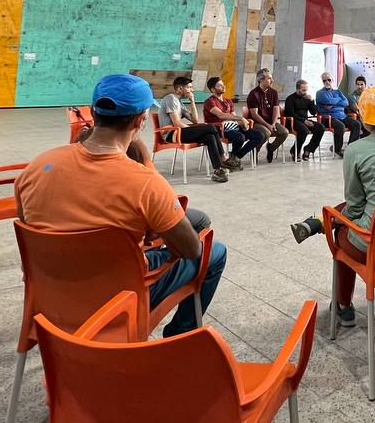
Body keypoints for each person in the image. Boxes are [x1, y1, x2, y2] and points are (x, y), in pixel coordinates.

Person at [15, 74, 226, 338]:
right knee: (215, 250)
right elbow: (190, 249)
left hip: (51, 297)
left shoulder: (37, 167)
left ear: (94, 113)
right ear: (140, 120)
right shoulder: (145, 184)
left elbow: (26, 220)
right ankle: (180, 331)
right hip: (118, 300)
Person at [286, 87, 375, 326]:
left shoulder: (356, 150)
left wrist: (338, 218)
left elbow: (355, 209)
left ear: (365, 116)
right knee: (372, 202)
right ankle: (320, 222)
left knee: (341, 231)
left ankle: (343, 305)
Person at [74, 124, 212, 233]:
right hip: (134, 249)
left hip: (84, 246)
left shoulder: (66, 163)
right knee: (203, 221)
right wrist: (143, 153)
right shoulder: (144, 180)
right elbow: (192, 250)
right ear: (138, 121)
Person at [159, 76, 230, 182]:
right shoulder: (171, 98)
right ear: (180, 89)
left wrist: (192, 101)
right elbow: (176, 123)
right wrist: (194, 129)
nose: (191, 90)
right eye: (189, 87)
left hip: (179, 132)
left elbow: (195, 120)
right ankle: (223, 157)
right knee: (210, 127)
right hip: (171, 134)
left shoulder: (179, 103)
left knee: (210, 137)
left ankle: (218, 170)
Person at [202, 77, 265, 166]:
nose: (223, 87)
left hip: (233, 127)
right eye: (220, 85)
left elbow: (234, 117)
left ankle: (236, 156)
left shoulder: (228, 101)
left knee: (258, 136)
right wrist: (241, 118)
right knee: (240, 137)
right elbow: (221, 115)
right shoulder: (209, 101)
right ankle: (233, 158)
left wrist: (242, 124)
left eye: (223, 84)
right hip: (220, 129)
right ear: (213, 89)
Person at [247, 68, 290, 163]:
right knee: (266, 133)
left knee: (284, 132)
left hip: (271, 122)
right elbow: (254, 114)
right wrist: (268, 125)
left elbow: (276, 109)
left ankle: (271, 148)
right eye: (269, 78)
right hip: (257, 123)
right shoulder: (253, 94)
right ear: (261, 80)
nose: (272, 80)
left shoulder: (273, 92)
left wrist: (273, 124)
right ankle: (255, 150)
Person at [316, 72, 363, 156]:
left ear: (332, 80)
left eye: (329, 80)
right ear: (322, 82)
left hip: (342, 116)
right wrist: (338, 100)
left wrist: (333, 103)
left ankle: (350, 148)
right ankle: (337, 149)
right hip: (328, 118)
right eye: (324, 80)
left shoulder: (338, 92)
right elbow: (328, 101)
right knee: (340, 126)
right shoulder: (320, 93)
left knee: (357, 124)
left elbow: (346, 102)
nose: (327, 82)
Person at [284, 79, 326, 161]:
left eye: (306, 90)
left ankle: (308, 149)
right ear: (297, 89)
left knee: (320, 128)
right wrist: (304, 121)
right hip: (293, 121)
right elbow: (290, 113)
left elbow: (313, 112)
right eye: (303, 90)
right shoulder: (290, 99)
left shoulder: (307, 98)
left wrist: (312, 100)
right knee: (304, 130)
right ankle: (296, 151)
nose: (305, 92)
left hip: (304, 121)